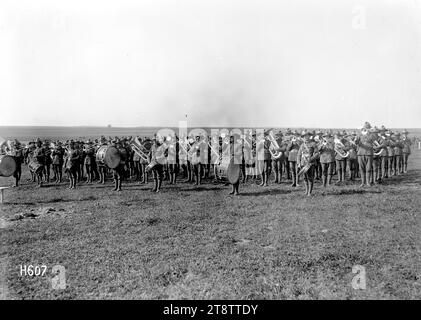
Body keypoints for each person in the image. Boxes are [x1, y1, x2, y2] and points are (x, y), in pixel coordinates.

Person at [297, 130, 319, 196]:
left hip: (310, 163)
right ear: (303, 137)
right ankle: (306, 191)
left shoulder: (313, 144)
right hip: (303, 163)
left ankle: (310, 192)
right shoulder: (302, 145)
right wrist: (298, 163)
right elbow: (299, 154)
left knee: (310, 178)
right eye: (304, 136)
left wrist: (310, 159)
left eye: (307, 136)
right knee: (305, 178)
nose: (306, 137)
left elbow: (317, 153)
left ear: (309, 136)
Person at [355, 122, 376, 187]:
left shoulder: (372, 134)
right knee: (361, 168)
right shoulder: (359, 134)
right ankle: (363, 182)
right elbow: (356, 142)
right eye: (365, 128)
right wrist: (356, 140)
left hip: (369, 153)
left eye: (367, 128)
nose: (366, 129)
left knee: (368, 168)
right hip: (360, 153)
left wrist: (369, 132)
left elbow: (373, 139)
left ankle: (368, 182)